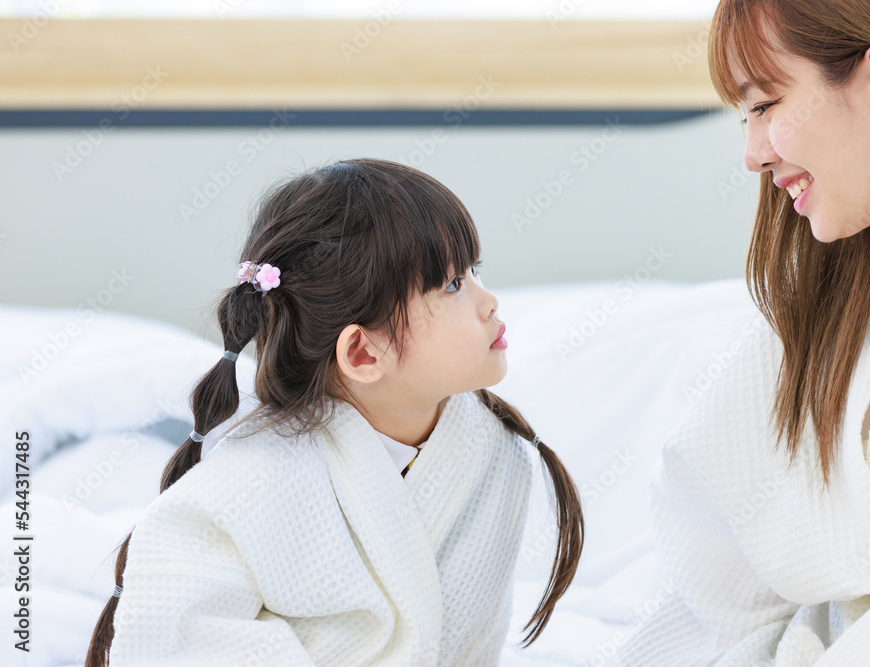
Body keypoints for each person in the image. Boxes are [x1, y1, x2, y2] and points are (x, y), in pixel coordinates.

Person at [84, 158, 584, 666]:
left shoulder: (494, 454)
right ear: (364, 354)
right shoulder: (245, 489)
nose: (490, 301)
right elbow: (174, 643)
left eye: (475, 271)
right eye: (453, 285)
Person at [619, 0, 870, 664]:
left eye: (765, 105)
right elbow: (711, 553)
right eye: (743, 117)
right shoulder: (825, 301)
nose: (751, 154)